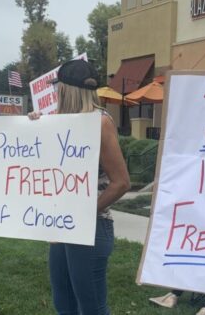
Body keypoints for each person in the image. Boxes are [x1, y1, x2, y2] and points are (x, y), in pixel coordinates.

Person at [28, 59, 131, 315]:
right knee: (63, 302)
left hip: (92, 227)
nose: (55, 93)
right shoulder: (58, 121)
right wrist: (34, 126)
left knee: (91, 307)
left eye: (58, 88)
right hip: (62, 226)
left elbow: (121, 182)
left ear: (66, 89)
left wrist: (85, 210)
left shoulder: (100, 122)